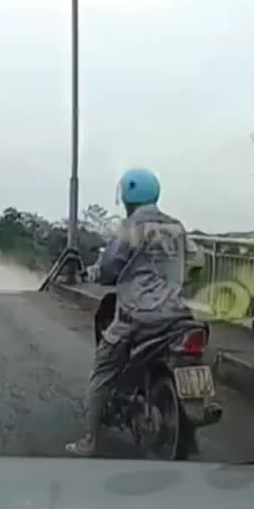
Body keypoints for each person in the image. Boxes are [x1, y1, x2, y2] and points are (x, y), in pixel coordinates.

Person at [66, 167, 193, 456]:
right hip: (175, 313)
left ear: (127, 195)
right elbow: (196, 260)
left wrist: (95, 274)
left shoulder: (131, 228)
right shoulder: (176, 226)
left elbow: (110, 267)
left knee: (103, 371)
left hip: (138, 315)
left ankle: (90, 440)